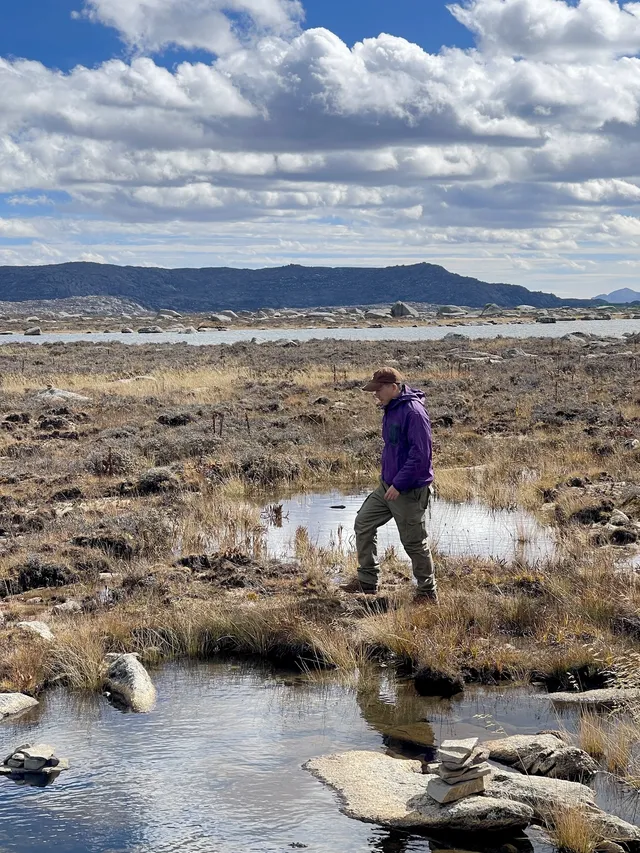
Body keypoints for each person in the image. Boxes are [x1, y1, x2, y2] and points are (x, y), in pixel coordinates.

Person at [341, 367, 437, 602]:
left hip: (408, 490)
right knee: (363, 522)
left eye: (378, 389)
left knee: (413, 543)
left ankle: (427, 592)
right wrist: (389, 482)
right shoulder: (391, 409)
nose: (375, 394)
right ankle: (367, 582)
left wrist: (399, 484)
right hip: (388, 486)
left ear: (393, 388)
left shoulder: (414, 413)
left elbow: (420, 455)